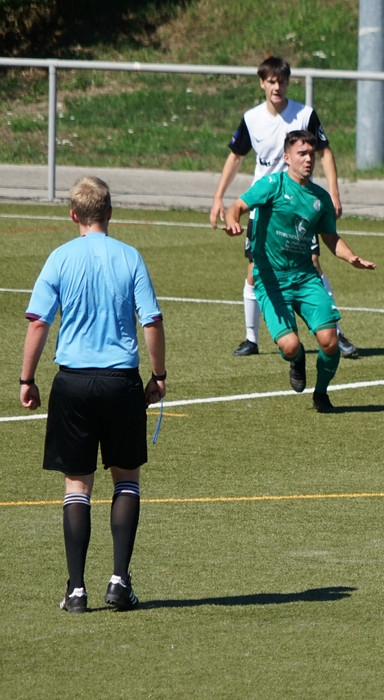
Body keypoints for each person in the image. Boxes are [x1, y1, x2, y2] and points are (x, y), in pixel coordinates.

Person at [20, 176, 166, 613]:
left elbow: (38, 322)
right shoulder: (130, 256)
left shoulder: (60, 257)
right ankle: (119, 581)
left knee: (77, 484)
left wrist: (27, 379)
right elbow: (151, 321)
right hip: (121, 382)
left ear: (73, 215)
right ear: (110, 213)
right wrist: (158, 375)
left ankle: (77, 590)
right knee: (126, 479)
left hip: (73, 383)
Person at [209, 55, 360, 357]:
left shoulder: (304, 115)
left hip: (301, 208)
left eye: (282, 81)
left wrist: (334, 192)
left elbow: (325, 152)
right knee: (254, 269)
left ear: (288, 83)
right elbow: (236, 156)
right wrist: (218, 197)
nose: (277, 87)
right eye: (271, 82)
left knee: (313, 265)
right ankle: (251, 339)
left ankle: (336, 332)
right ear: (262, 83)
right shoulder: (252, 118)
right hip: (265, 209)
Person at [223, 130, 375, 412]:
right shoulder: (273, 185)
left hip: (305, 278)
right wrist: (232, 221)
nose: (308, 159)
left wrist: (351, 257)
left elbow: (331, 238)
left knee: (329, 341)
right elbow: (237, 206)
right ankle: (297, 359)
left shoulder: (320, 198)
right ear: (287, 157)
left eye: (311, 154)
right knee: (291, 346)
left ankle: (321, 393)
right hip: (271, 280)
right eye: (301, 154)